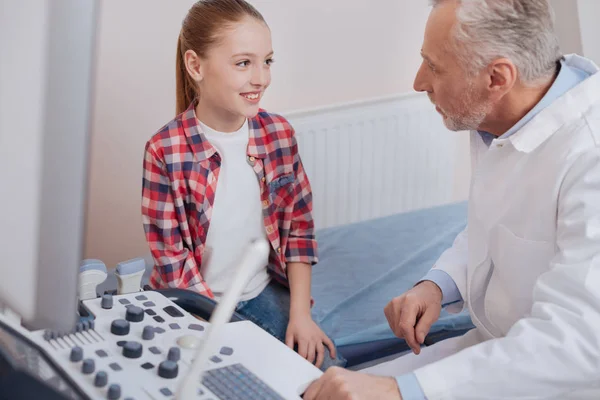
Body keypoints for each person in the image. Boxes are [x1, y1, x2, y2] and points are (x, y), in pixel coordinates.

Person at [304, 0, 600, 397]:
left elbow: (579, 344)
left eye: (434, 66)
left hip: (556, 374)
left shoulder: (588, 157)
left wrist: (399, 391)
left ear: (497, 78)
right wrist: (438, 285)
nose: (418, 81)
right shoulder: (504, 120)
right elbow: (501, 227)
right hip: (497, 351)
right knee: (321, 389)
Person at [141, 0, 344, 370]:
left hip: (258, 294)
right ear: (195, 66)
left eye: (267, 61)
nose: (261, 78)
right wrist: (222, 331)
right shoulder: (164, 151)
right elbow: (171, 259)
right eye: (243, 63)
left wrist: (300, 315)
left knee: (329, 373)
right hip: (192, 304)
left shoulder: (278, 135)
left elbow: (298, 228)